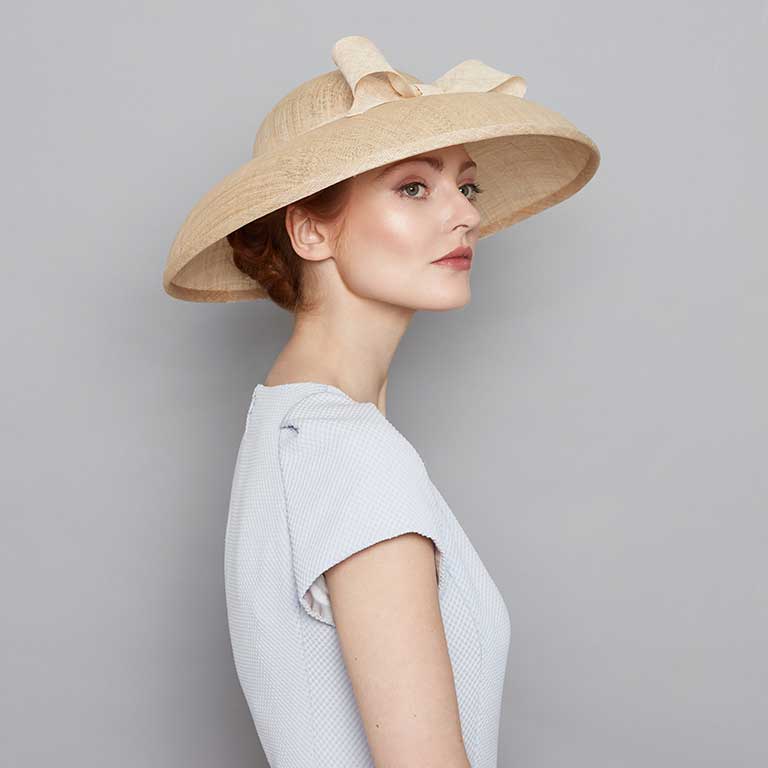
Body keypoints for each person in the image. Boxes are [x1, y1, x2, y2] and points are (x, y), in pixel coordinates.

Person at [163, 34, 600, 768]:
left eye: (467, 185)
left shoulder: (287, 423)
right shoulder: (352, 455)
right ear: (309, 229)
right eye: (412, 187)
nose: (464, 215)